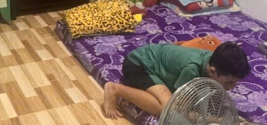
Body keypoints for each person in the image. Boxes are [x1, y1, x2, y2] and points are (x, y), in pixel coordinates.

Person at [103, 41, 250, 119]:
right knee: (167, 109)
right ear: (212, 71)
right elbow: (180, 103)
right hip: (138, 64)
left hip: (157, 59)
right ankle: (115, 89)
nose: (233, 86)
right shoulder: (191, 69)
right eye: (229, 82)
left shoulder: (213, 61)